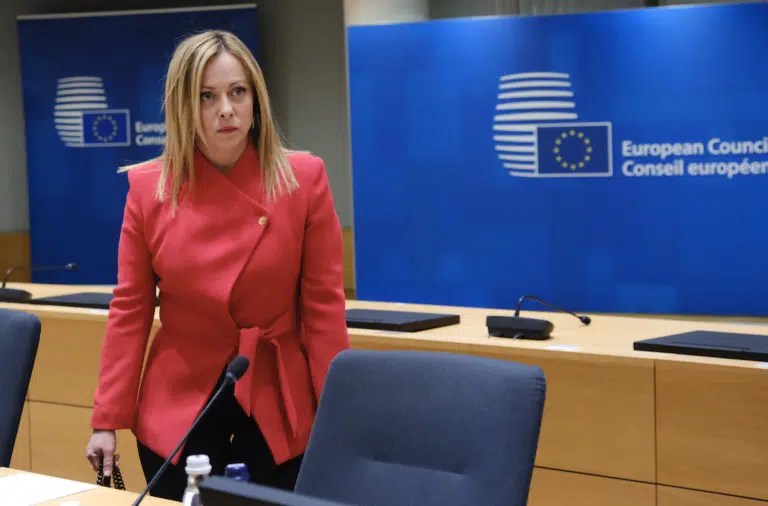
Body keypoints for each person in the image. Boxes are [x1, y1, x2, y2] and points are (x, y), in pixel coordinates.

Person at [85, 29, 349, 500]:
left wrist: (340, 413)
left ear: (256, 99)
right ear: (183, 106)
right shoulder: (148, 189)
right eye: (207, 96)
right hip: (180, 403)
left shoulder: (304, 179)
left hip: (277, 400)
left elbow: (323, 308)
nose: (226, 109)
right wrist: (107, 419)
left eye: (237, 92)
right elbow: (130, 308)